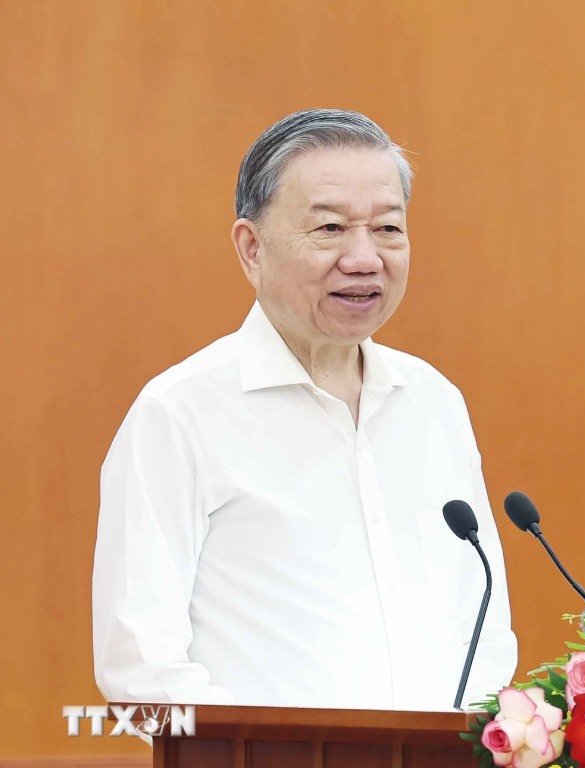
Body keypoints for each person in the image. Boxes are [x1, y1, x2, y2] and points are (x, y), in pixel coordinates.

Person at [92, 109, 517, 710]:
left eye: (388, 228)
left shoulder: (435, 403)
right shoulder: (180, 413)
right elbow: (141, 670)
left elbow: (485, 633)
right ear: (252, 248)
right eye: (330, 229)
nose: (365, 258)